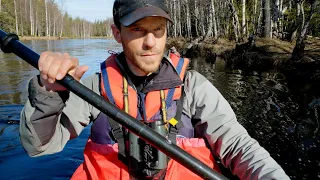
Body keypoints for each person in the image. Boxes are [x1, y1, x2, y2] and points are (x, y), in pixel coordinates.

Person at [19, 0, 290, 179]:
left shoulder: (193, 87)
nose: (151, 42)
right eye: (138, 29)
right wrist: (48, 93)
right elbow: (39, 148)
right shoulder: (94, 87)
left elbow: (238, 147)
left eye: (158, 30)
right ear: (117, 33)